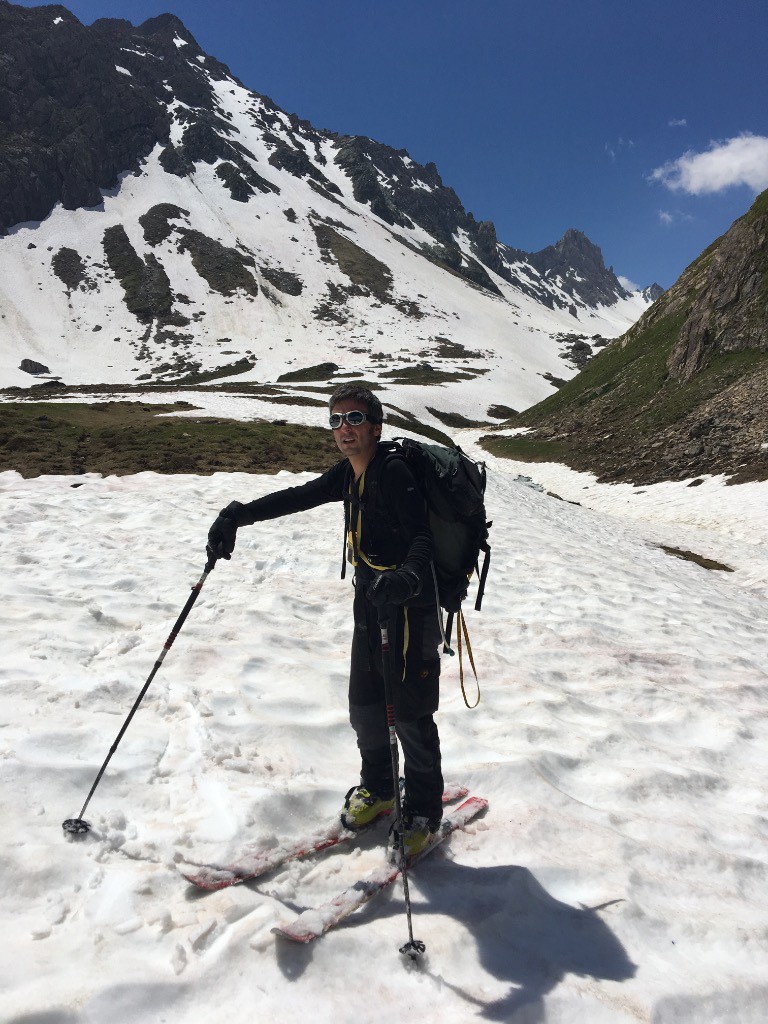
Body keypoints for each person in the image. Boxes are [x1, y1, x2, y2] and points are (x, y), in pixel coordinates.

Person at [206, 383, 444, 858]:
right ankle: (378, 789)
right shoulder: (349, 475)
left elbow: (422, 540)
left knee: (411, 715)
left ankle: (423, 812)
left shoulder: (394, 472)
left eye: (354, 419)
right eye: (335, 421)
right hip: (369, 605)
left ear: (376, 427)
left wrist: (406, 579)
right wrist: (239, 515)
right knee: (366, 707)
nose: (343, 429)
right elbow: (300, 495)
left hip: (409, 611)